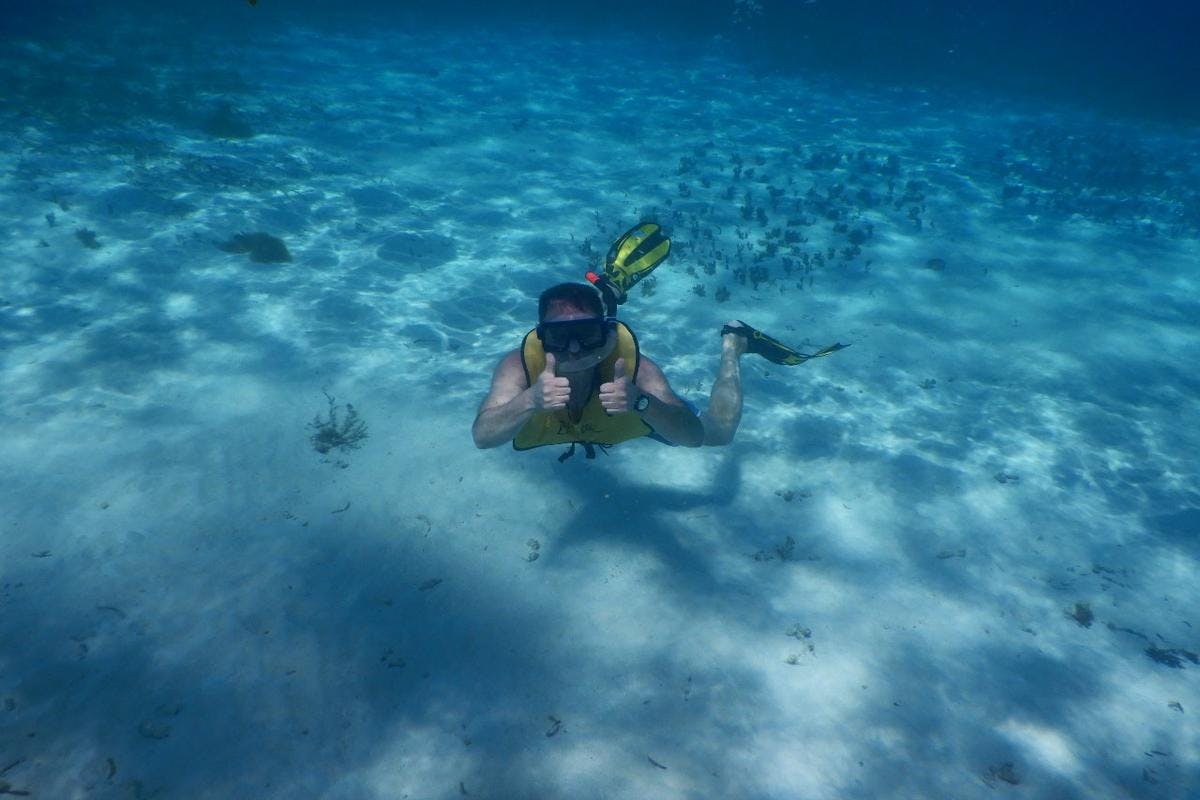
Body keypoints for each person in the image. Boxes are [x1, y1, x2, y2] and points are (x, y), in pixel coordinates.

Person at [471, 281, 842, 459]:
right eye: (558, 336)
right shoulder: (518, 368)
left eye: (585, 334)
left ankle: (734, 346)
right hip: (550, 411)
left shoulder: (637, 371)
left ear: (606, 333)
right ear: (540, 338)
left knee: (721, 433)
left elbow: (693, 437)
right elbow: (483, 437)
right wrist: (529, 401)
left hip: (632, 412)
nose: (572, 349)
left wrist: (643, 403)